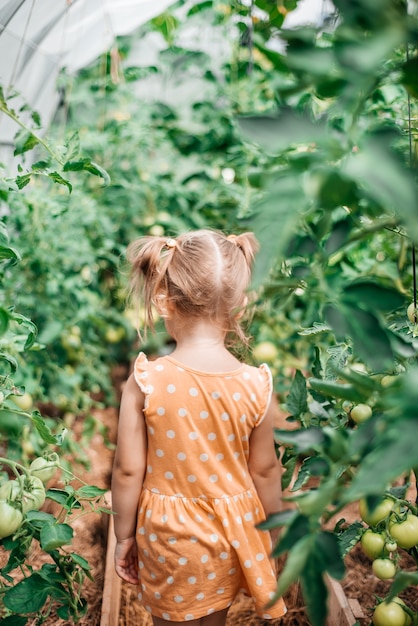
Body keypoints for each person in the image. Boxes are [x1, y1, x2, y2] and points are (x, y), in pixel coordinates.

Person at [111, 229, 287, 626]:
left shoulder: (146, 380)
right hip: (231, 532)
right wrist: (272, 531)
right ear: (241, 305)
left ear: (164, 300)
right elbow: (265, 469)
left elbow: (126, 469)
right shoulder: (256, 383)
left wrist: (124, 535)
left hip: (167, 535)